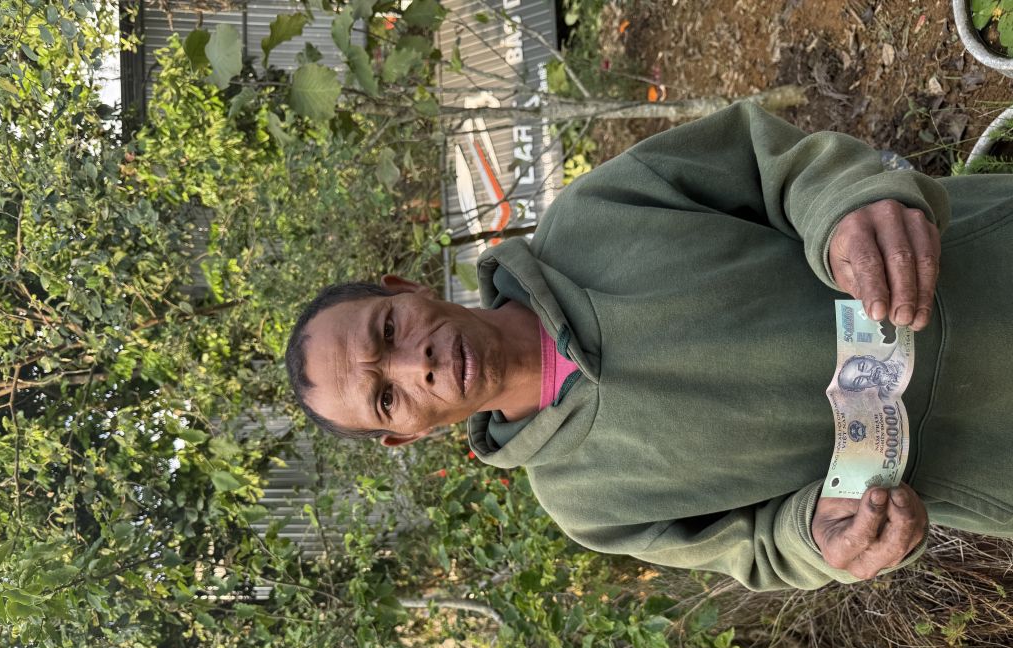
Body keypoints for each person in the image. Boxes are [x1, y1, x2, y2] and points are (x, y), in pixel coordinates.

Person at [285, 102, 1013, 592]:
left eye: (388, 330)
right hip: (991, 460)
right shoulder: (589, 505)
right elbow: (764, 549)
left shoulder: (594, 215)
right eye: (388, 396)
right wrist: (824, 543)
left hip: (988, 258)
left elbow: (762, 157)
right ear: (405, 435)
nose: (416, 364)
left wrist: (842, 204)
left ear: (406, 288)